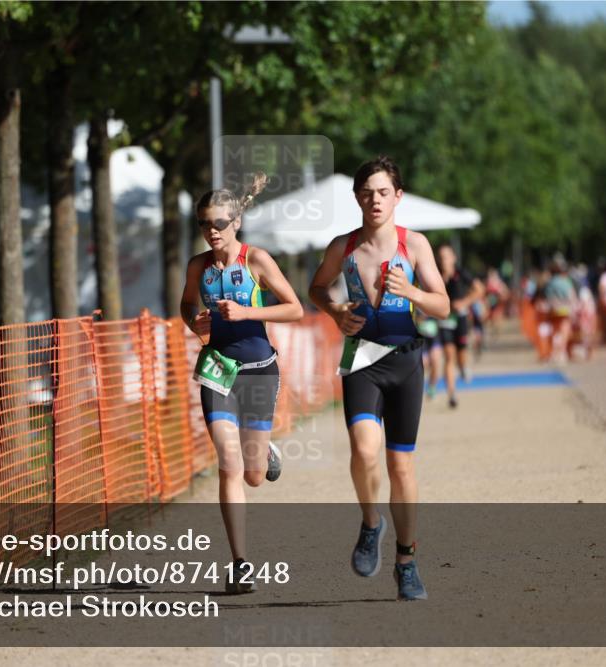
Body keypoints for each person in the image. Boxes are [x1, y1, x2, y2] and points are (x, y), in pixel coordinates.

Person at [309, 156, 449, 601]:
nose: (375, 200)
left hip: (405, 361)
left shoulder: (416, 246)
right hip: (362, 360)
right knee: (364, 450)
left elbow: (443, 306)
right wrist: (334, 311)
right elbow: (316, 288)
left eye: (383, 192)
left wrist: (412, 293)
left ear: (398, 197)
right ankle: (372, 523)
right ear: (357, 198)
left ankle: (406, 561)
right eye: (367, 192)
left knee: (400, 466)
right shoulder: (343, 247)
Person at [180, 173, 304, 594]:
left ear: (235, 223)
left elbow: (295, 309)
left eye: (218, 223)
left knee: (252, 474)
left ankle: (263, 449)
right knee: (229, 467)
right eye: (203, 224)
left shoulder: (257, 261)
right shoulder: (198, 266)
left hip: (258, 370)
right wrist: (194, 321)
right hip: (217, 370)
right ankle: (239, 563)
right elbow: (185, 304)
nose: (211, 232)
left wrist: (248, 314)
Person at [434, 244, 484, 408]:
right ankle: (452, 394)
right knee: (449, 356)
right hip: (445, 319)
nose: (443, 260)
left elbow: (479, 289)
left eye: (446, 256)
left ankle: (463, 367)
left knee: (461, 356)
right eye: (441, 257)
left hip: (461, 318)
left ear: (454, 258)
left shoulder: (461, 273)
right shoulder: (435, 274)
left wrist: (464, 302)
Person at [544, 256, 578, 364]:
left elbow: (548, 297)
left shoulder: (550, 282)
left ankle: (554, 353)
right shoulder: (565, 281)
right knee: (564, 331)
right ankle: (561, 352)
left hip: (553, 309)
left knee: (555, 331)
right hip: (564, 309)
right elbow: (571, 296)